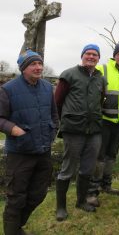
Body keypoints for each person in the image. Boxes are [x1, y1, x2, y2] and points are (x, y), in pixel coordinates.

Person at [0, 50, 58, 235]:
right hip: (20, 153)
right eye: (33, 64)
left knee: (38, 194)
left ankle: (17, 226)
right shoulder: (8, 89)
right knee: (16, 197)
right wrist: (13, 129)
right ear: (23, 68)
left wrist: (52, 132)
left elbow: (54, 115)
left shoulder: (48, 88)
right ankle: (13, 231)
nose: (38, 67)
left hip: (43, 151)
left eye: (40, 64)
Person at [55, 44, 106, 221]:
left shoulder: (101, 78)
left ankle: (81, 201)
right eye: (88, 54)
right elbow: (57, 101)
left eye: (95, 55)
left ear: (98, 59)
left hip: (94, 130)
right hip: (73, 129)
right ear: (82, 56)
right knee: (68, 169)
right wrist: (67, 119)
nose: (91, 57)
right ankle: (60, 207)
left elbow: (100, 101)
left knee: (87, 168)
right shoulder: (68, 74)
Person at [87, 43, 119, 206]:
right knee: (99, 157)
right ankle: (92, 191)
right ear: (114, 56)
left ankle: (106, 185)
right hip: (104, 122)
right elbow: (93, 91)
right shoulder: (104, 69)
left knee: (112, 155)